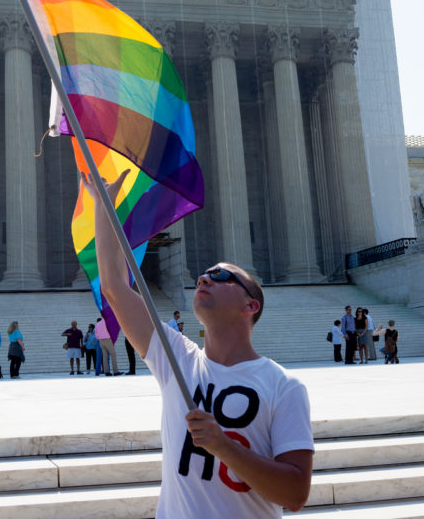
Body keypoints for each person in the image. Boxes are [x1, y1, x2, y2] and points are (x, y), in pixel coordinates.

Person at [81, 170, 313, 516]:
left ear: (250, 306)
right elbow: (115, 288)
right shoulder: (176, 359)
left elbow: (295, 495)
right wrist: (103, 205)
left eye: (222, 276)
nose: (205, 277)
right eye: (205, 273)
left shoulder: (283, 387)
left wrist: (222, 445)